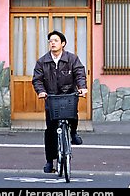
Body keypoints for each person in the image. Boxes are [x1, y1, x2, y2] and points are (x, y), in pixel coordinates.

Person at [32, 29, 88, 173]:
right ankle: (50, 161)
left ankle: (73, 133)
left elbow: (80, 73)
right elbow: (37, 80)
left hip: (68, 95)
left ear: (63, 43)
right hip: (51, 98)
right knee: (50, 130)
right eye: (50, 41)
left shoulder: (72, 59)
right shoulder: (42, 61)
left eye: (56, 41)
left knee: (73, 115)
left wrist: (82, 88)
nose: (53, 43)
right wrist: (41, 91)